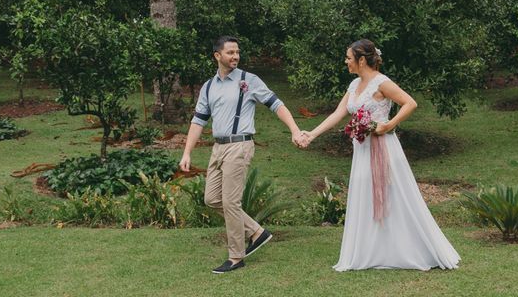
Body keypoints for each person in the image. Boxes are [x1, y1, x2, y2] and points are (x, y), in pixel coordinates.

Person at [300, 39, 461, 271]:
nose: (346, 62)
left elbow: (410, 103)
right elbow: (339, 113)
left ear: (361, 60)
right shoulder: (354, 85)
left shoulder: (381, 83)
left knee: (394, 196)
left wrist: (389, 125)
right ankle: (372, 251)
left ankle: (408, 250)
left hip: (384, 147)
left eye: (348, 58)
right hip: (362, 149)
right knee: (366, 195)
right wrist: (312, 134)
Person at [180, 36, 304, 274]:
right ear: (217, 55)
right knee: (212, 199)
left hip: (240, 145)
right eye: (230, 53)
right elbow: (198, 121)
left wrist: (295, 130)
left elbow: (276, 104)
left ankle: (236, 257)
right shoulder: (209, 86)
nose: (235, 56)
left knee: (230, 201)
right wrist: (187, 152)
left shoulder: (249, 80)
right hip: (218, 147)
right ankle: (257, 232)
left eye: (237, 52)